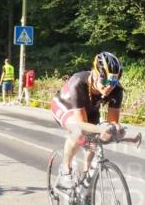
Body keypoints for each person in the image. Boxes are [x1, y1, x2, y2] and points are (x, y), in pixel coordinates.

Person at [50, 52, 124, 189]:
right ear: (95, 74)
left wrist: (115, 129)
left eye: (113, 82)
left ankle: (86, 179)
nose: (109, 86)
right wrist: (100, 129)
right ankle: (65, 169)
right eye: (105, 81)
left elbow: (113, 122)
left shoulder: (117, 90)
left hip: (89, 109)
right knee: (78, 132)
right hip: (64, 105)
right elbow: (81, 125)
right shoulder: (77, 82)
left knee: (93, 141)